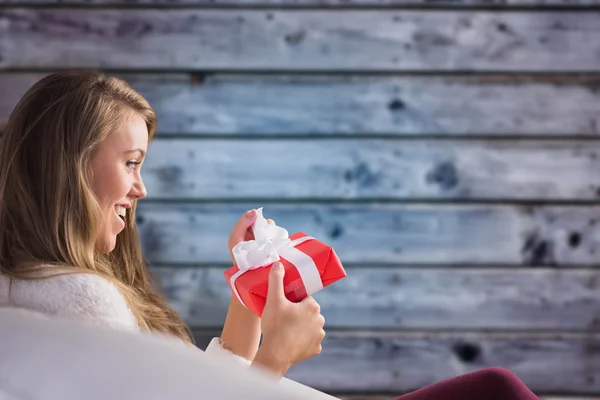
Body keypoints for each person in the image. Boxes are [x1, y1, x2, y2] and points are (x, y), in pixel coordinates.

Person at [0, 69, 540, 400]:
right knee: (498, 390)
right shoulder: (81, 302)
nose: (140, 189)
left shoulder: (47, 291)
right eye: (132, 163)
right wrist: (275, 360)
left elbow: (192, 393)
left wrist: (249, 293)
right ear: (68, 166)